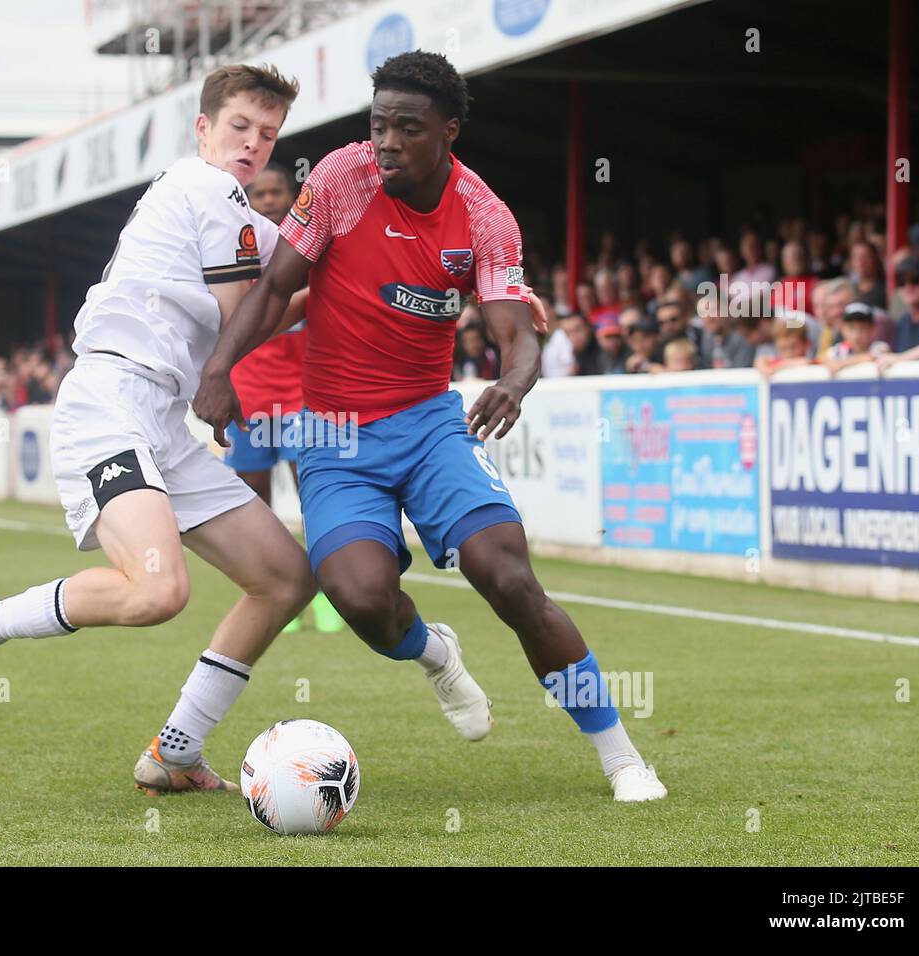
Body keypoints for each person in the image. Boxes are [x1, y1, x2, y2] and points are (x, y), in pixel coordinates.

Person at [194, 50, 666, 802]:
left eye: (406, 129)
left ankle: (621, 755)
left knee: (507, 576)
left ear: (448, 131)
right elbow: (276, 286)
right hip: (334, 437)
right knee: (360, 598)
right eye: (378, 124)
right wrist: (217, 370)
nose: (385, 142)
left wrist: (514, 381)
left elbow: (517, 331)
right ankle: (434, 653)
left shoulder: (483, 215)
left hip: (429, 425)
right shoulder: (339, 181)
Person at [0, 64, 318, 798]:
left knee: (286, 578)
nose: (254, 144)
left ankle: (175, 751)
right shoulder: (207, 186)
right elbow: (244, 318)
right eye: (240, 128)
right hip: (111, 401)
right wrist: (336, 297)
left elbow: (286, 281)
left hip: (161, 415)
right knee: (157, 592)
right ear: (203, 129)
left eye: (269, 133)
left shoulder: (239, 215)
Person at [228, 162, 344, 634]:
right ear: (248, 202)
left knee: (311, 494)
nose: (271, 200)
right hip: (249, 395)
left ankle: (329, 594)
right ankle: (277, 593)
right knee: (253, 504)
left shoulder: (311, 252)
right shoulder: (237, 256)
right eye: (261, 194)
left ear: (294, 196)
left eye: (278, 192)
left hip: (302, 397)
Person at [822, 302, 891, 374]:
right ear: (843, 329)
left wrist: (840, 364)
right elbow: (824, 358)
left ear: (872, 329)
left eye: (862, 328)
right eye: (851, 328)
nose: (856, 335)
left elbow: (873, 357)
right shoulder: (838, 350)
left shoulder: (879, 346)